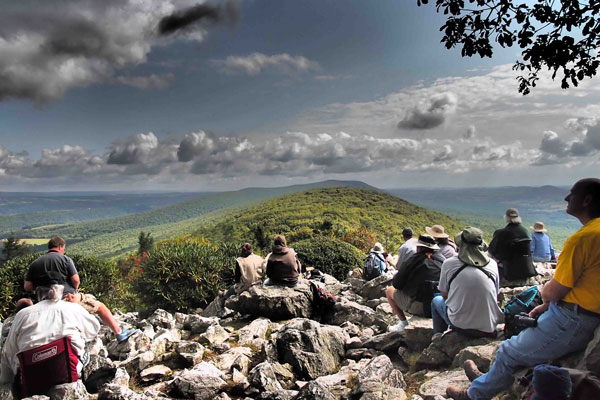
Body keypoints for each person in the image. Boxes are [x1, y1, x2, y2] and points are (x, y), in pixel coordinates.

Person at [447, 178, 600, 400]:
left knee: (509, 350)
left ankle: (474, 395)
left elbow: (554, 291)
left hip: (573, 318)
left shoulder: (583, 239)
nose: (567, 198)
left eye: (572, 194)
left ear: (586, 200)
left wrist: (547, 297)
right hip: (582, 312)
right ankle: (489, 379)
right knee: (521, 341)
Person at [24, 236, 136, 343]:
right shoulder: (65, 259)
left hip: (43, 302)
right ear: (61, 247)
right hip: (67, 297)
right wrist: (75, 290)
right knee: (100, 307)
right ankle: (119, 332)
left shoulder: (35, 263)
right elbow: (76, 279)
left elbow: (27, 286)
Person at [0, 284, 100, 386]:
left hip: (31, 380)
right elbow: (94, 329)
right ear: (61, 293)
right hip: (66, 373)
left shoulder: (22, 315)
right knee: (84, 348)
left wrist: (6, 384)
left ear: (38, 294)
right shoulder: (72, 308)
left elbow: (8, 353)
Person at [431, 227, 503, 335]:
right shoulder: (492, 264)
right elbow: (495, 294)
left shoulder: (449, 263)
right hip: (488, 325)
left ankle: (438, 337)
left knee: (436, 300)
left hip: (460, 323)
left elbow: (444, 294)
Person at [387, 234, 445, 332]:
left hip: (423, 308)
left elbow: (397, 284)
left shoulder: (413, 260)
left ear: (420, 247)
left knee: (389, 291)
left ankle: (403, 323)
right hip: (441, 306)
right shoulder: (443, 259)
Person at [487, 208, 537, 280]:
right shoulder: (526, 231)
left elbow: (492, 250)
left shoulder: (502, 233)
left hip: (509, 269)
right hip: (526, 268)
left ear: (506, 218)